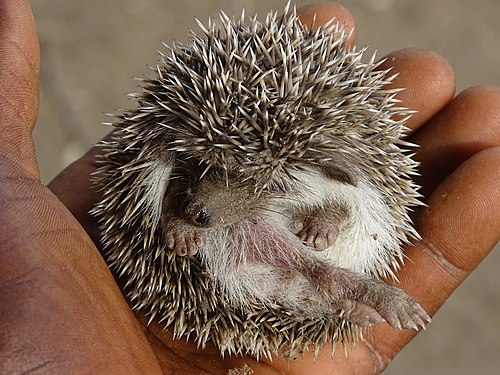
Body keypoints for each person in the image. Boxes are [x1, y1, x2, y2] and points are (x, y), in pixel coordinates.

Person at [1, 0, 499, 373]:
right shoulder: (177, 148)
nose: (203, 202)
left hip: (294, 231)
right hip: (230, 265)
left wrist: (328, 214)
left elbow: (348, 198)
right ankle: (335, 286)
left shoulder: (337, 164)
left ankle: (337, 285)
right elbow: (166, 183)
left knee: (302, 240)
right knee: (231, 229)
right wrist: (178, 212)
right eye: (204, 167)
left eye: (245, 178)